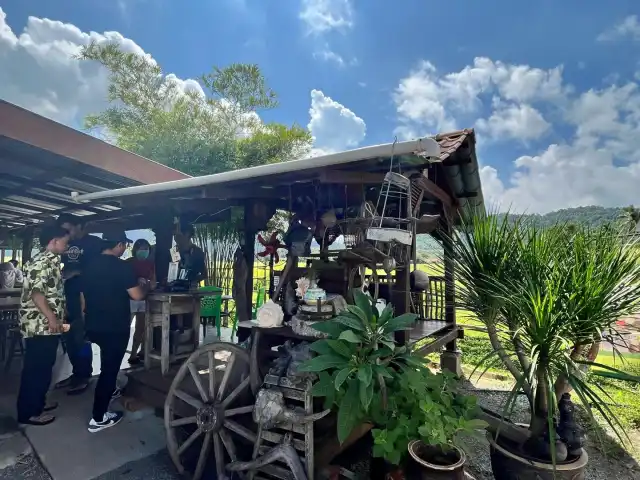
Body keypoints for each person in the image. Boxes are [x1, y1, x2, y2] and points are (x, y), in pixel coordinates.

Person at [80, 230, 146, 433]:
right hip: (115, 326)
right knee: (109, 371)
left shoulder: (88, 265)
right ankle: (98, 418)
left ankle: (111, 391)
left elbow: (82, 297)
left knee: (106, 369)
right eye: (124, 244)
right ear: (118, 244)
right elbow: (136, 296)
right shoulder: (122, 267)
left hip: (93, 324)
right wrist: (146, 287)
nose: (125, 248)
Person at [16, 225, 70, 426]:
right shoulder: (41, 263)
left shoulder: (52, 262)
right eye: (65, 241)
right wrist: (52, 318)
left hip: (45, 325)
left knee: (44, 367)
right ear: (54, 241)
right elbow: (36, 294)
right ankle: (29, 412)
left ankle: (38, 403)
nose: (67, 245)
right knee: (36, 369)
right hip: (39, 325)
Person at [56, 214, 104, 394]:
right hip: (68, 295)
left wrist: (77, 271)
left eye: (68, 229)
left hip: (87, 296)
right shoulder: (66, 244)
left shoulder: (93, 243)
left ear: (79, 226)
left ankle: (84, 374)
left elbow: (101, 268)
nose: (66, 233)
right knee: (68, 336)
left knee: (82, 336)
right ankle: (76, 373)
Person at [127, 239, 156, 365]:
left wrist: (149, 283)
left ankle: (134, 354)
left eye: (146, 249)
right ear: (135, 250)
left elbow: (153, 282)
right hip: (129, 300)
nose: (144, 251)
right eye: (141, 248)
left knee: (141, 329)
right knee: (124, 328)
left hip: (144, 299)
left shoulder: (150, 264)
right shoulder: (128, 263)